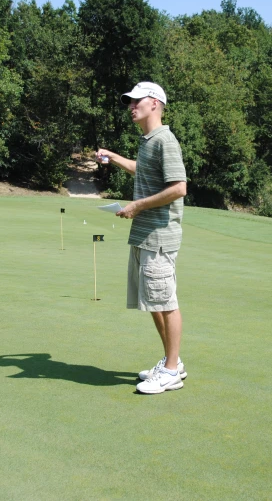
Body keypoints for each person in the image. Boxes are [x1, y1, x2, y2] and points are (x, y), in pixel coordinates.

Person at [96, 81, 188, 394]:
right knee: (154, 303)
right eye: (129, 102)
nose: (131, 106)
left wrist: (137, 205)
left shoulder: (165, 140)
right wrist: (114, 157)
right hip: (145, 234)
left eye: (137, 101)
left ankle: (172, 371)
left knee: (166, 302)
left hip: (160, 235)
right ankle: (170, 361)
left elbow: (179, 188)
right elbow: (144, 171)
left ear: (154, 103)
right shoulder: (147, 141)